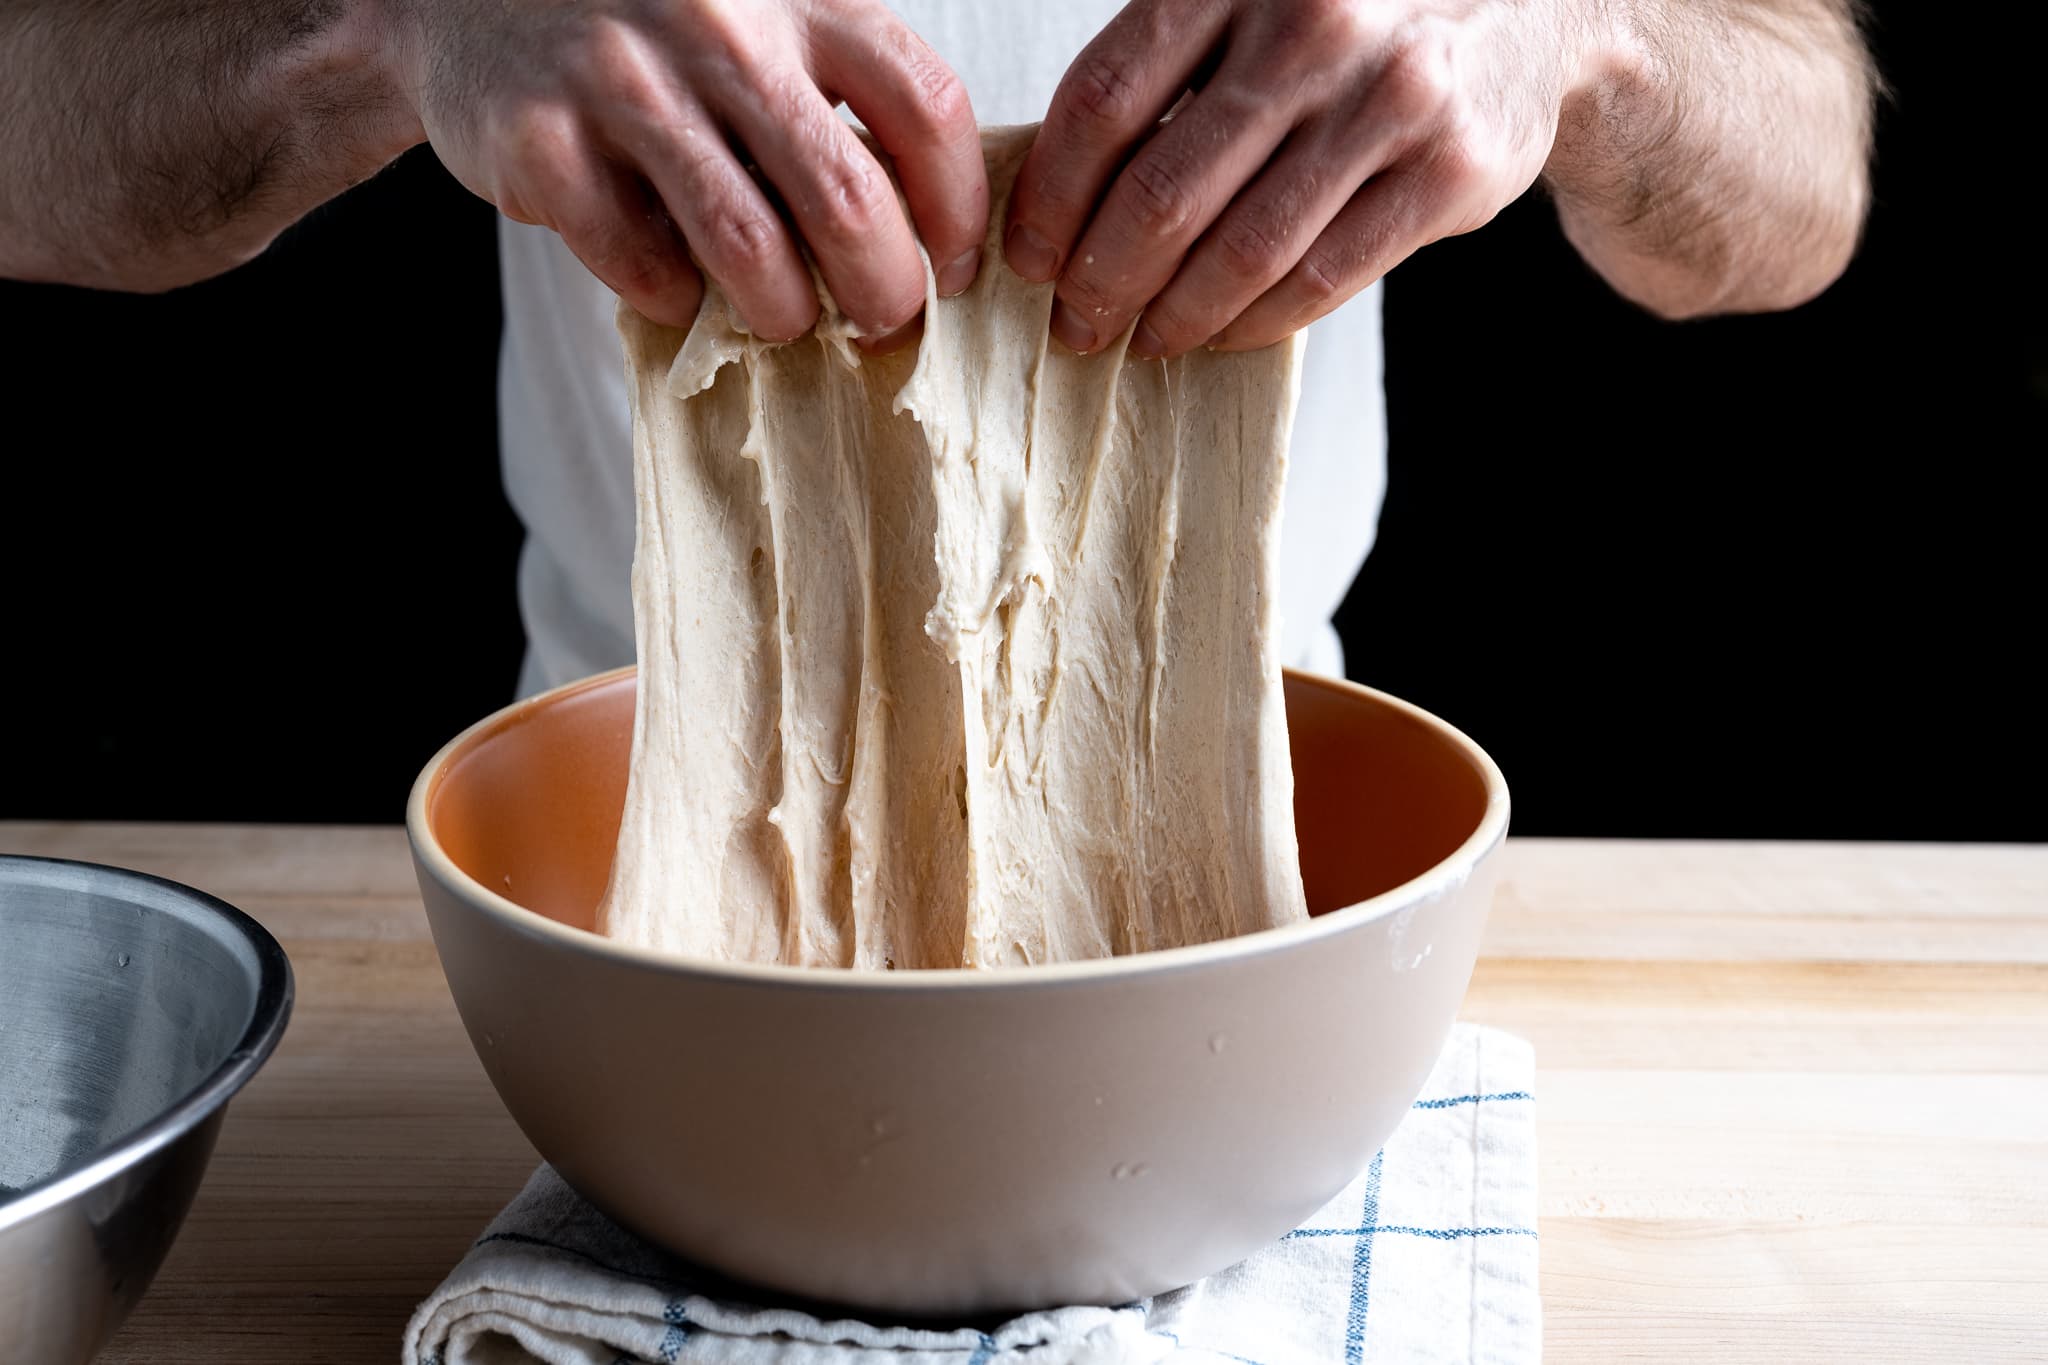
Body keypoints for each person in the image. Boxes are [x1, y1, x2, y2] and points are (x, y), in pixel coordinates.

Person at [1, 0, 1874, 695]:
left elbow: (1811, 177)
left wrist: (1579, 35)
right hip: (619, 842)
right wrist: (395, 24)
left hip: (1255, 835)